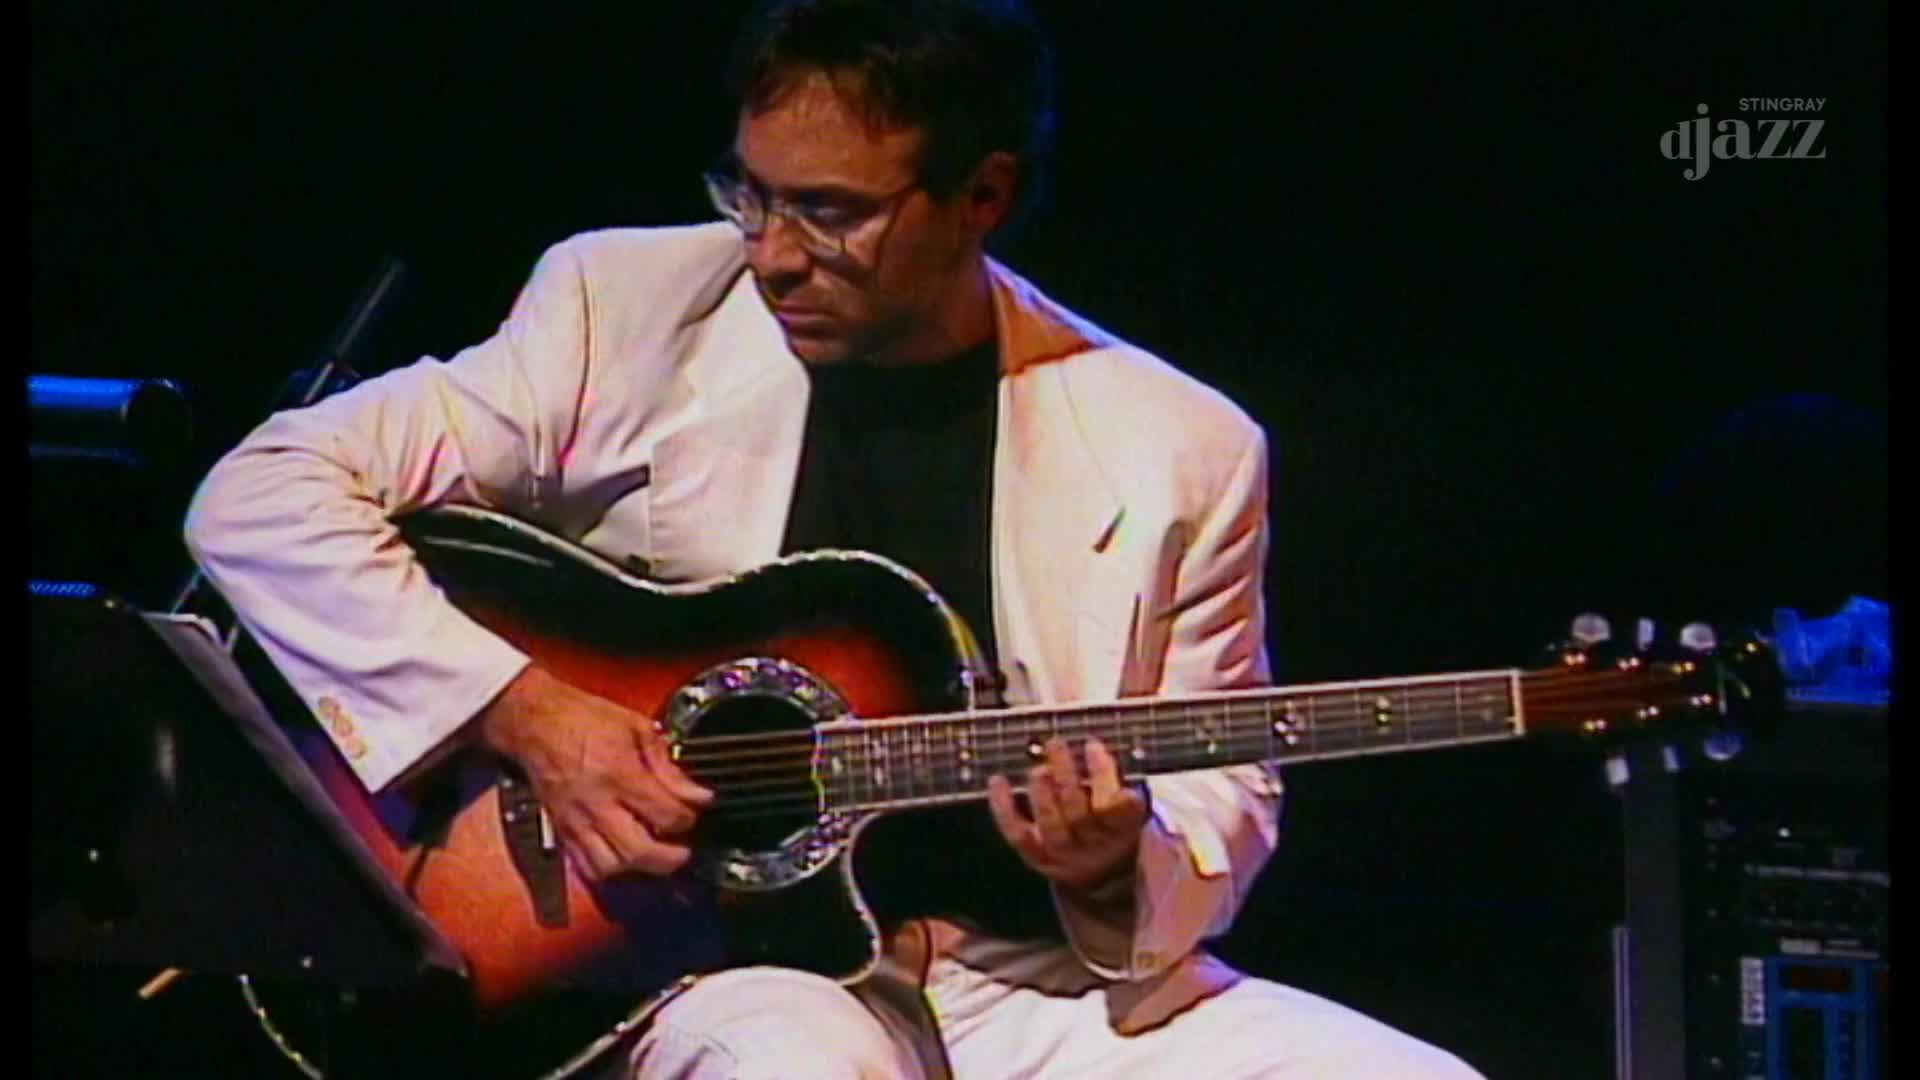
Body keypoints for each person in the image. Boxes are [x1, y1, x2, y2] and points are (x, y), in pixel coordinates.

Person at [185, 1, 1485, 1075]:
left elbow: (1222, 791)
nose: (771, 254)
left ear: (982, 195)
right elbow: (263, 494)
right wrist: (526, 711)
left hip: (1029, 985)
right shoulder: (624, 308)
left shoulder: (1179, 446)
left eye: (832, 213)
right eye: (749, 196)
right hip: (722, 967)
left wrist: (1112, 861)